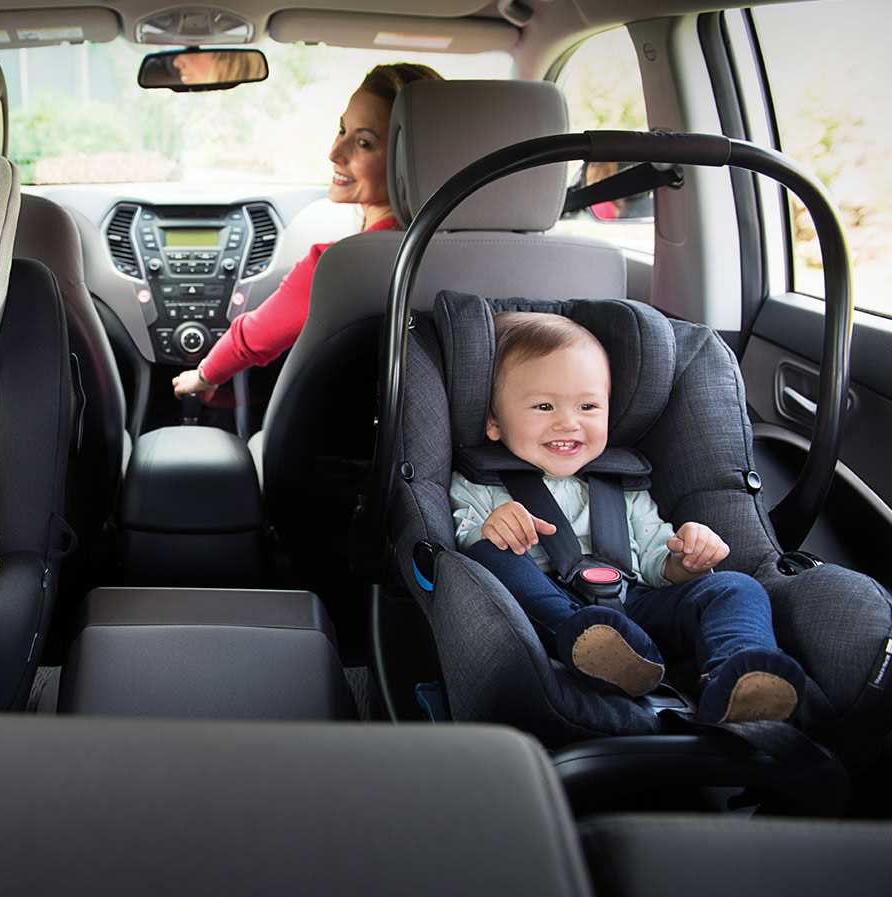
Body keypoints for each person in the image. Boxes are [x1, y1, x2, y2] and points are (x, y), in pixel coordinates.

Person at [448, 311, 805, 724]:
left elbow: (655, 562)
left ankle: (739, 675)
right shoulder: (481, 482)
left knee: (736, 587)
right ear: (494, 421)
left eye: (588, 406)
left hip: (636, 605)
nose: (569, 422)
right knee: (492, 555)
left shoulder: (621, 485)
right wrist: (490, 528)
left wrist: (686, 558)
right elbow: (460, 547)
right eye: (544, 406)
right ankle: (591, 644)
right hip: (549, 610)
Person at [172, 62, 442, 400]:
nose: (334, 153)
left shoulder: (341, 265)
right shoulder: (487, 252)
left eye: (363, 143)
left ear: (408, 161)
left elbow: (253, 338)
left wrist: (203, 377)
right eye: (342, 129)